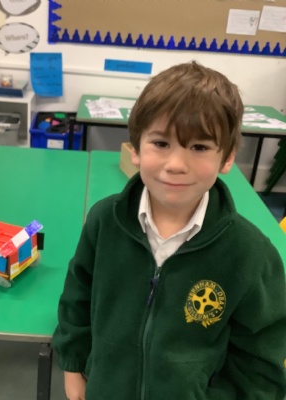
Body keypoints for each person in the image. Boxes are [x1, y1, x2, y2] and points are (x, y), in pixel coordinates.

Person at [52, 61, 286, 400]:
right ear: (135, 149)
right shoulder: (104, 221)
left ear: (227, 158)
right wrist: (73, 368)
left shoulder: (251, 254)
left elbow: (260, 361)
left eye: (199, 147)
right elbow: (77, 296)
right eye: (161, 143)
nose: (176, 165)